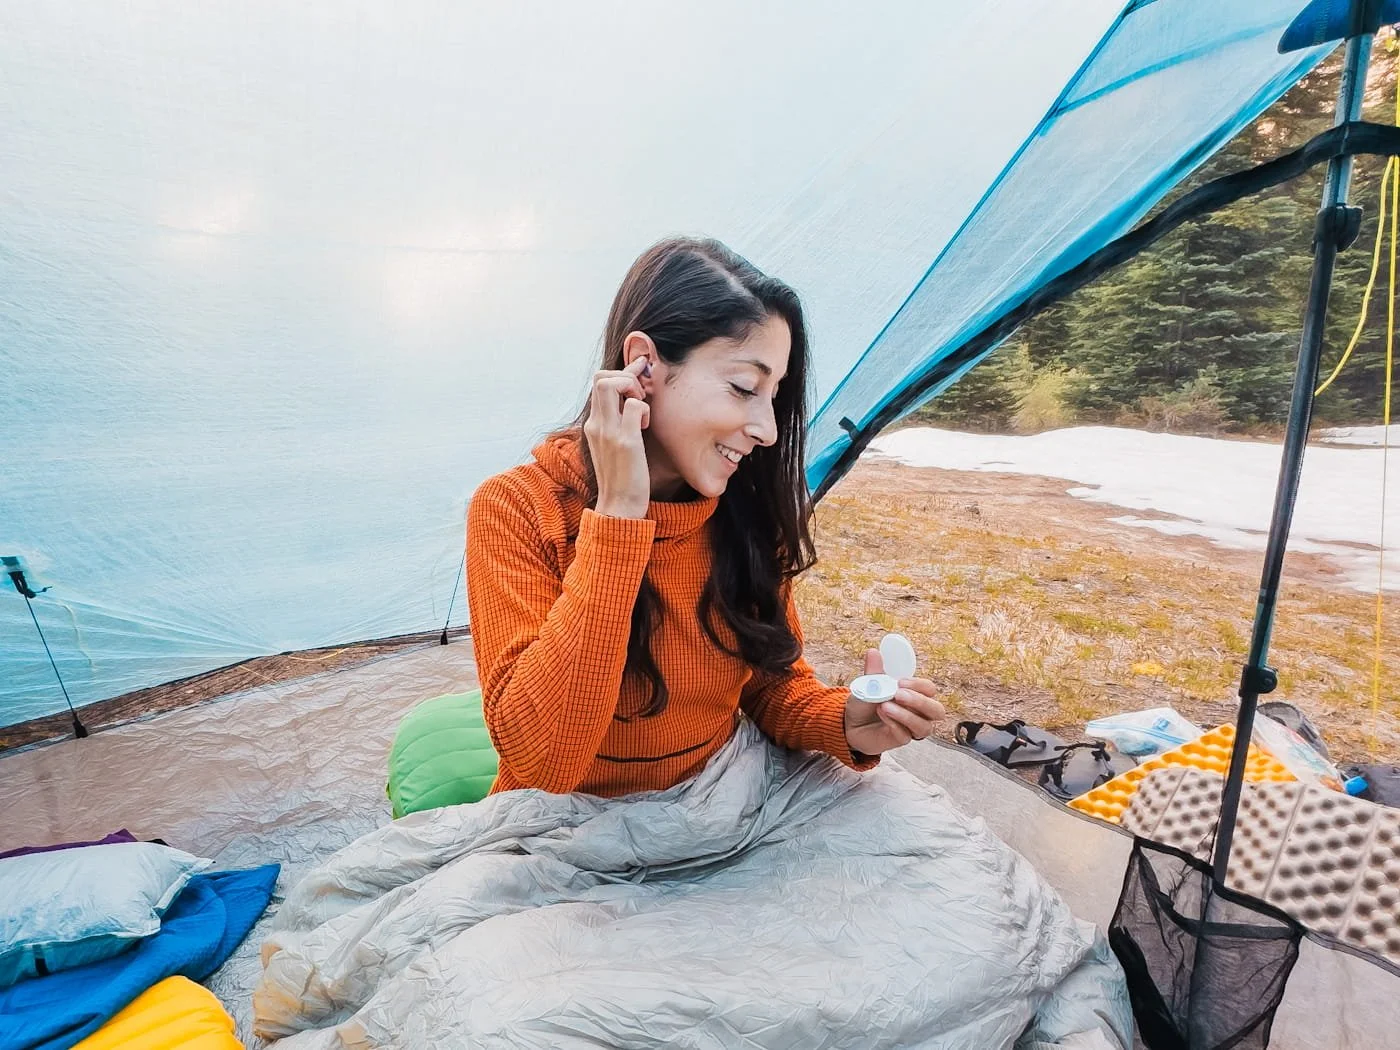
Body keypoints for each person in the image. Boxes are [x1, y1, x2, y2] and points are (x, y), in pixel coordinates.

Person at [465, 237, 944, 797]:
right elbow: (543, 764)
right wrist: (620, 517)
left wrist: (846, 723)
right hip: (562, 825)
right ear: (644, 366)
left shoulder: (743, 512)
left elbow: (771, 686)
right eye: (743, 387)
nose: (768, 430)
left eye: (774, 396)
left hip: (718, 800)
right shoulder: (517, 509)